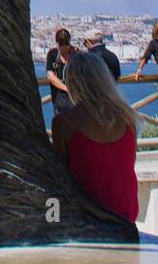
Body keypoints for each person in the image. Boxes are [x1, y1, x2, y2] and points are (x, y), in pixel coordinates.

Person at [51, 50, 139, 223]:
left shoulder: (64, 123)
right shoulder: (128, 118)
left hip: (88, 217)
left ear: (72, 82)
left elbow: (61, 176)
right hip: (125, 214)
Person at [45, 28, 77, 115]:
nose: (64, 49)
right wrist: (66, 88)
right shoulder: (52, 54)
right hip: (58, 99)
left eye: (66, 45)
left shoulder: (77, 54)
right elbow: (50, 76)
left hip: (75, 99)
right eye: (61, 45)